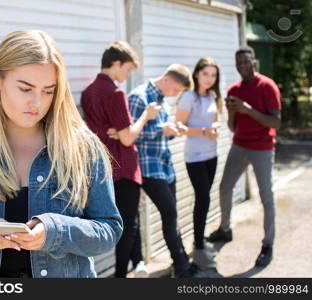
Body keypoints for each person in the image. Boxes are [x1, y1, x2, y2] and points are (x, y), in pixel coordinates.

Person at [0, 30, 123, 278]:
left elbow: (109, 230)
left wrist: (55, 231)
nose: (37, 102)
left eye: (49, 91)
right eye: (25, 89)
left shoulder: (83, 148)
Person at [110, 64, 205, 278]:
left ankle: (182, 265)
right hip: (147, 168)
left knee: (172, 216)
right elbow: (129, 137)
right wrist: (161, 129)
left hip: (164, 166)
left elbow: (159, 134)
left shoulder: (162, 100)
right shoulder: (138, 97)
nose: (175, 95)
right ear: (167, 80)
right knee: (169, 214)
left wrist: (172, 131)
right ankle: (182, 268)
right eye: (176, 90)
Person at [81, 41, 159, 278]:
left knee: (126, 220)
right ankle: (121, 276)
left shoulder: (87, 92)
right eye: (127, 69)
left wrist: (112, 131)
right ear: (116, 64)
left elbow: (96, 130)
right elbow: (127, 138)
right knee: (127, 225)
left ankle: (139, 264)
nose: (127, 75)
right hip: (123, 167)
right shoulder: (116, 94)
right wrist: (146, 115)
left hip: (102, 166)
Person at [207, 46, 281, 268]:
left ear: (254, 62)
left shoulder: (267, 86)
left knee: (266, 197)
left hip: (262, 148)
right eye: (239, 63)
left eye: (246, 62)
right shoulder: (234, 89)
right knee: (224, 187)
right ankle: (225, 228)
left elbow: (276, 123)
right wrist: (232, 113)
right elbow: (232, 126)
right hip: (239, 146)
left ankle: (268, 244)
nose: (243, 66)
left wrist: (248, 110)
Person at [175, 57, 222, 271]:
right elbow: (179, 126)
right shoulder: (188, 96)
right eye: (206, 74)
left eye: (213, 75)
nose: (209, 79)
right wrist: (203, 131)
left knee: (205, 199)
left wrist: (216, 128)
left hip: (212, 155)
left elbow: (217, 118)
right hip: (195, 157)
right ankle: (198, 246)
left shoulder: (213, 95)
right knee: (202, 197)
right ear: (196, 74)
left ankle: (199, 242)